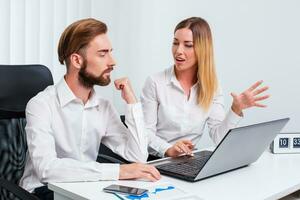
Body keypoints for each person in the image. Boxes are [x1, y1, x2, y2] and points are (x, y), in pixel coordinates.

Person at [19, 18, 160, 200]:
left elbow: (138, 156)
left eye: (110, 52)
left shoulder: (103, 107)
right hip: (42, 191)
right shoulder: (41, 105)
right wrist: (118, 171)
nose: (112, 61)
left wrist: (132, 103)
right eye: (103, 54)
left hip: (86, 187)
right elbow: (47, 170)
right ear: (77, 60)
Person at [141, 17, 270, 159]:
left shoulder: (211, 86)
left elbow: (219, 138)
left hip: (188, 159)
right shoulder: (155, 82)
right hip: (156, 160)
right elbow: (145, 133)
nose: (178, 50)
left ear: (202, 49)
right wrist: (169, 149)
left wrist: (236, 109)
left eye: (188, 45)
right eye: (175, 43)